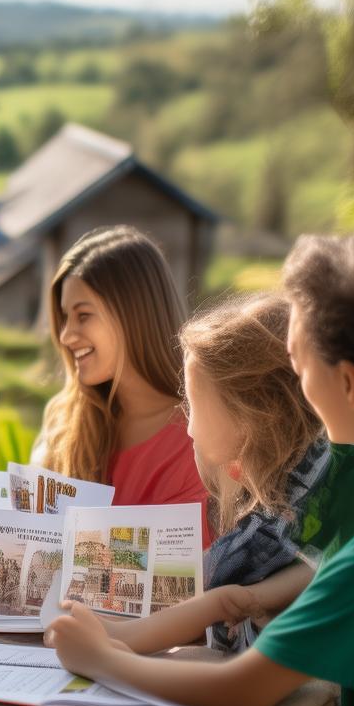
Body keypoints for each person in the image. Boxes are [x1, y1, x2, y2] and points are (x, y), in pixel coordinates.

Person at [47, 209, 354, 706]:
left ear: (346, 384)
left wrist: (103, 659)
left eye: (296, 363)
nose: (292, 388)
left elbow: (240, 691)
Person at [95, 293, 354, 657]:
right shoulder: (317, 469)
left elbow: (206, 592)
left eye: (193, 406)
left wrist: (109, 642)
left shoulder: (292, 509)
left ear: (249, 418)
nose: (189, 429)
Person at [36, 225, 210, 542]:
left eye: (83, 315)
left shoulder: (200, 437)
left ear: (134, 315)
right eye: (65, 318)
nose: (65, 335)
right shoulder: (64, 422)